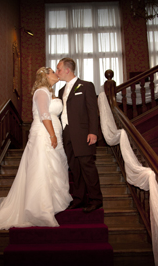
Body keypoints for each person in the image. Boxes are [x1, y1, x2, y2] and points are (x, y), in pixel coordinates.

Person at [0, 67, 72, 230]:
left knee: (53, 167)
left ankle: (51, 203)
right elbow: (44, 114)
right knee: (42, 169)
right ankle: (40, 209)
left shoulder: (49, 92)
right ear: (46, 76)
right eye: (53, 72)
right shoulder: (41, 91)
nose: (56, 74)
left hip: (53, 132)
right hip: (44, 133)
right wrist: (52, 135)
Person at [56, 57, 103, 213]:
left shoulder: (86, 86)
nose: (57, 72)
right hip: (67, 133)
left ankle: (96, 200)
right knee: (74, 168)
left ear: (67, 70)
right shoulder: (61, 91)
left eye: (59, 69)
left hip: (83, 134)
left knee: (87, 168)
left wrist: (93, 132)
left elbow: (92, 110)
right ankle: (79, 199)